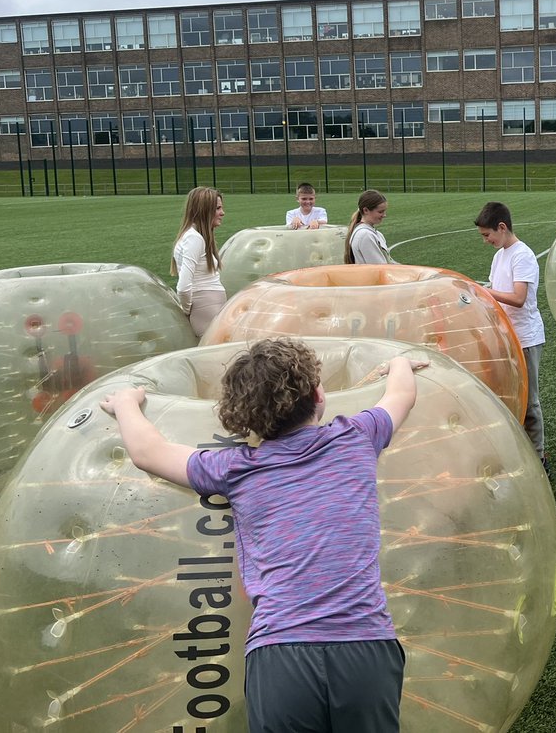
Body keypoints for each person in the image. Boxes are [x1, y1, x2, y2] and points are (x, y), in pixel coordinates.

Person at [100, 339, 423, 733]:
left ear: (242, 417)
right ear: (318, 395)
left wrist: (126, 404)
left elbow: (149, 453)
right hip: (366, 643)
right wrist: (399, 363)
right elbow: (402, 395)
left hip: (281, 652)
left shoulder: (235, 468)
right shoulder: (355, 436)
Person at [475, 202, 547, 469]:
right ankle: (517, 453)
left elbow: (518, 298)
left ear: (502, 227)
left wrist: (483, 291)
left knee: (529, 402)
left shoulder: (522, 255)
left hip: (526, 338)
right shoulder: (499, 255)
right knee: (506, 397)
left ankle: (539, 459)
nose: (486, 241)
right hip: (505, 336)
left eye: (487, 235)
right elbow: (495, 291)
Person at [172, 186, 226, 337]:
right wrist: (187, 309)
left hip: (207, 306)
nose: (222, 213)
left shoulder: (192, 236)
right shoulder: (194, 239)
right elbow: (183, 287)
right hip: (206, 307)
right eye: (217, 208)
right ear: (204, 210)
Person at [345, 190, 393, 264]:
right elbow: (379, 267)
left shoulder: (372, 233)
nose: (384, 215)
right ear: (366, 210)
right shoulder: (365, 235)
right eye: (380, 212)